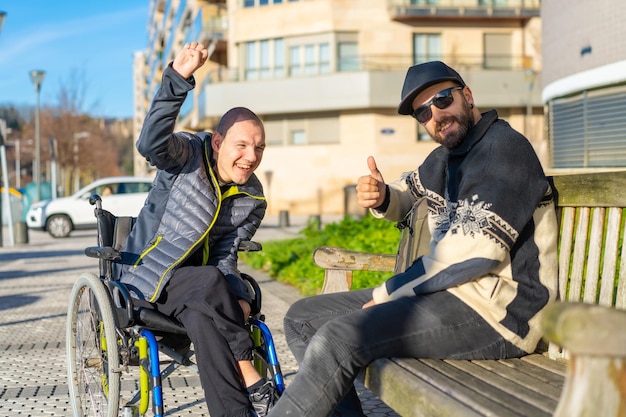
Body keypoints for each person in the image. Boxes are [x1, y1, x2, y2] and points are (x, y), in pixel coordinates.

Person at [269, 61, 558, 416]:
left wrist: (387, 293)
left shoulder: (504, 150)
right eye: (423, 112)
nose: (436, 114)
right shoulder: (445, 157)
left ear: (467, 95)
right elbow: (409, 195)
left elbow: (474, 254)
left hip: (499, 313)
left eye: (442, 99)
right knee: (303, 317)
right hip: (451, 295)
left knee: (339, 337)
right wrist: (383, 197)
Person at [115, 41, 278, 417]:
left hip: (199, 296)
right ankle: (249, 372)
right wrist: (179, 79)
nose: (251, 157)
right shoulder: (187, 155)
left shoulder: (252, 197)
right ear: (218, 142)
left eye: (260, 148)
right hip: (148, 281)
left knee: (206, 320)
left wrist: (235, 293)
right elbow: (150, 143)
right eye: (241, 145)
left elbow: (226, 256)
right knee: (206, 284)